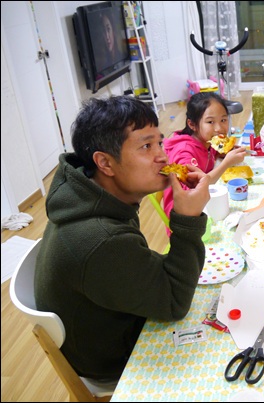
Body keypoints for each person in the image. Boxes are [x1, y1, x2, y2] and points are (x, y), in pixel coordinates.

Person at [34, 96, 211, 384]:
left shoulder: (89, 196)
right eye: (146, 146)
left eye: (159, 142)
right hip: (115, 359)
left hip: (113, 316)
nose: (163, 157)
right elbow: (174, 303)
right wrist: (188, 219)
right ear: (104, 162)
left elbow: (131, 263)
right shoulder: (103, 240)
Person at [162, 92, 246, 226]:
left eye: (223, 120)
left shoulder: (206, 141)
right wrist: (227, 162)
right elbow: (197, 186)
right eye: (210, 122)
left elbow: (212, 152)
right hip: (185, 219)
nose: (219, 128)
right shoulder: (184, 151)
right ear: (192, 124)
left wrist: (226, 151)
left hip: (205, 202)